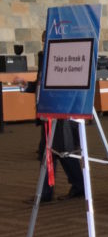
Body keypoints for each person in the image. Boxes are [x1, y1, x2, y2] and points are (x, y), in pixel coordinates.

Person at [14, 32, 85, 203]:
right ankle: (65, 188)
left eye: (47, 41)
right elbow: (42, 85)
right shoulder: (45, 59)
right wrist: (28, 86)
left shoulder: (63, 59)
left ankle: (56, 191)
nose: (44, 44)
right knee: (51, 153)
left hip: (59, 113)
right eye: (43, 41)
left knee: (60, 153)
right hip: (48, 113)